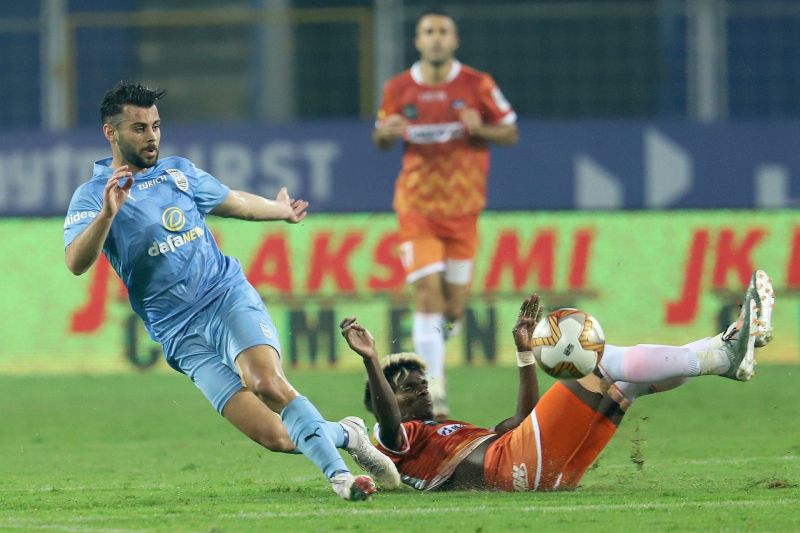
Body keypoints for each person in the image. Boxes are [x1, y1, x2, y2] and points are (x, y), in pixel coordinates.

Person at [63, 81, 400, 501]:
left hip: (225, 298)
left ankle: (341, 479)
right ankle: (347, 434)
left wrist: (281, 211)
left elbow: (234, 201)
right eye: (138, 128)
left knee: (266, 383)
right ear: (110, 133)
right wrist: (107, 215)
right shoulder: (93, 196)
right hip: (179, 333)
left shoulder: (178, 173)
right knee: (276, 437)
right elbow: (76, 261)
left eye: (155, 125)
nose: (151, 136)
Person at [340, 270, 775, 492]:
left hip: (543, 475)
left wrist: (524, 352)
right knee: (599, 363)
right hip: (511, 469)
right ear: (387, 402)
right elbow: (389, 422)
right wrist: (372, 361)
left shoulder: (445, 435)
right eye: (407, 387)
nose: (420, 388)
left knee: (626, 385)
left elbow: (523, 422)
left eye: (421, 381)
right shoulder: (393, 439)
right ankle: (721, 354)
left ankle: (727, 343)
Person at [372, 9, 519, 419]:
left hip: (463, 210)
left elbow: (509, 131)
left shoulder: (477, 84)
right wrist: (385, 134)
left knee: (453, 307)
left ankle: (433, 341)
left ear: (453, 41)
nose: (436, 38)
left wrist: (481, 129)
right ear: (418, 41)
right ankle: (433, 394)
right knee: (427, 296)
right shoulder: (398, 88)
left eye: (443, 32)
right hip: (416, 207)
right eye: (428, 32)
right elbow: (381, 137)